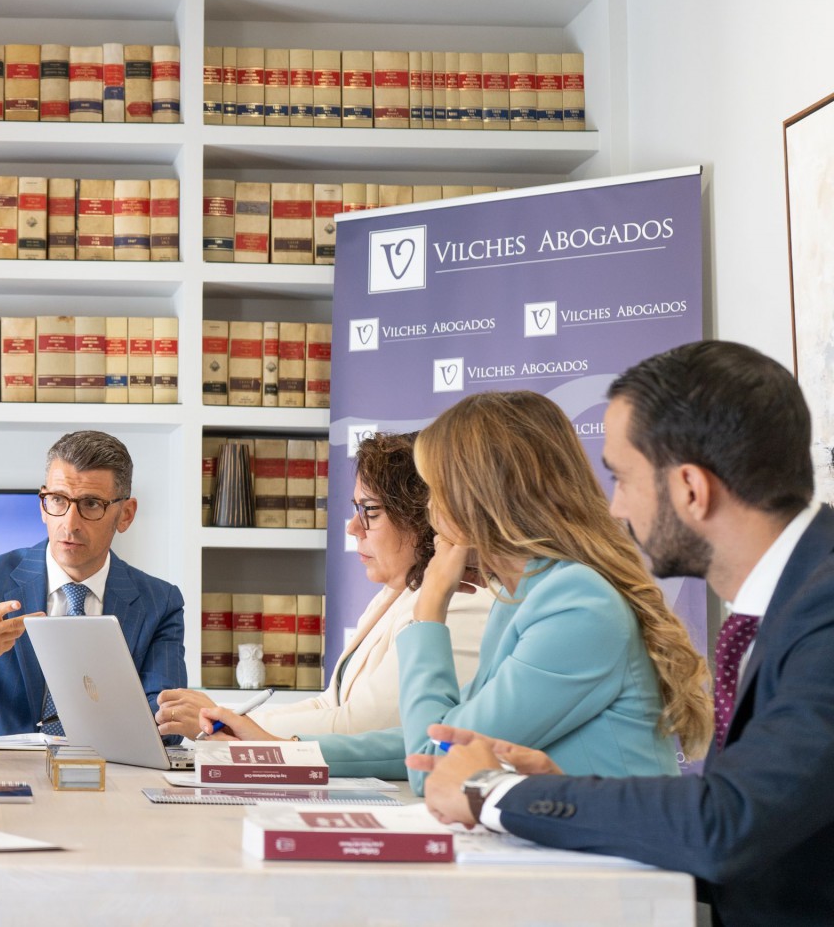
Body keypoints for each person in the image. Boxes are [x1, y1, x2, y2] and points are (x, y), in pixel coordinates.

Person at [417, 341, 834, 927]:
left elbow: (727, 823)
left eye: (622, 479)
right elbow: (762, 836)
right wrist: (563, 793)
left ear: (690, 489)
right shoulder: (791, 600)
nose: (615, 508)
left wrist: (493, 792)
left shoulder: (822, 608)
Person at [230, 390, 711, 795]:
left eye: (436, 491)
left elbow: (435, 762)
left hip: (610, 868)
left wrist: (429, 611)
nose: (430, 511)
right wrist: (282, 750)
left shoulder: (575, 605)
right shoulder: (525, 597)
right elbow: (439, 738)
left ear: (478, 498)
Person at [154, 432, 492, 740]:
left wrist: (227, 723)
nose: (353, 527)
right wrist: (226, 719)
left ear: (423, 518)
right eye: (356, 509)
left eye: (370, 511)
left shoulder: (460, 600)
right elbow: (328, 704)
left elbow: (365, 725)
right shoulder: (394, 593)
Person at [0, 430, 187, 737]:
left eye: (91, 504)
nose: (69, 524)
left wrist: (176, 715)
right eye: (58, 500)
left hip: (104, 764)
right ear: (42, 504)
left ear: (125, 515)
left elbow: (166, 725)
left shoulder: (160, 602)